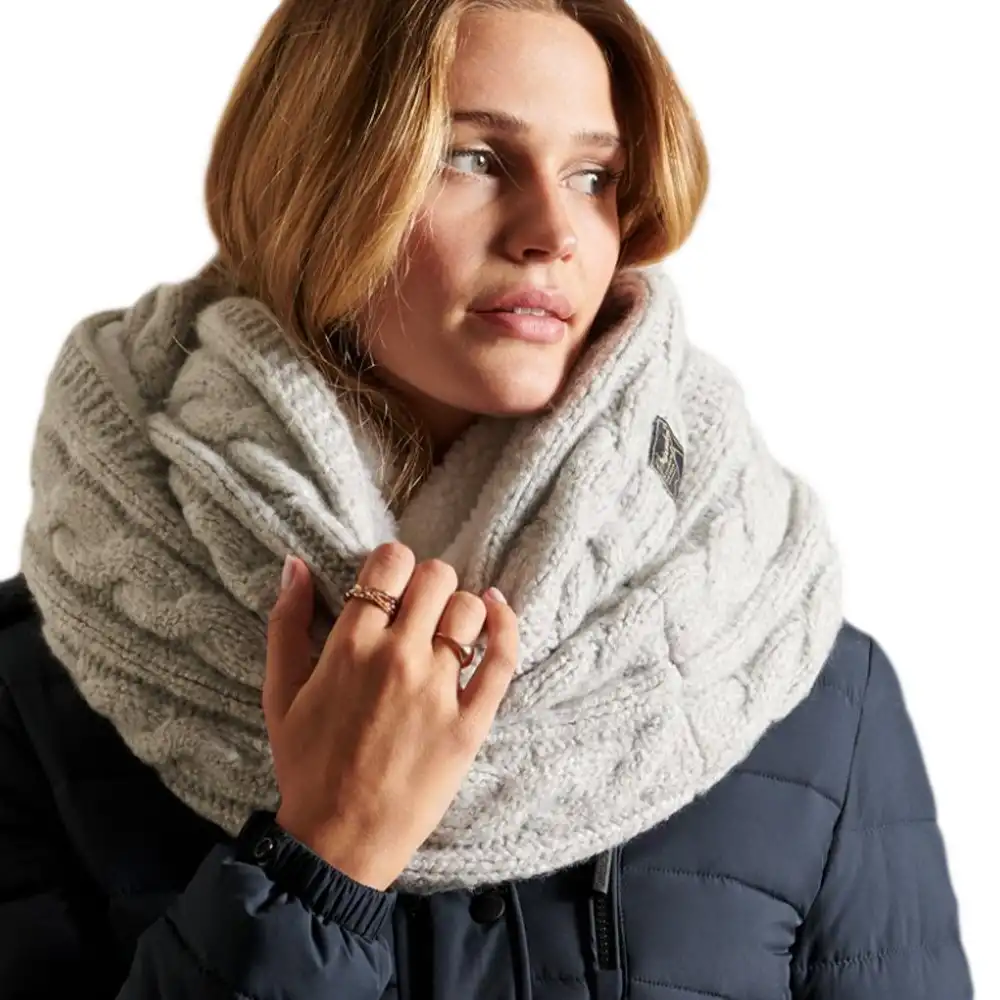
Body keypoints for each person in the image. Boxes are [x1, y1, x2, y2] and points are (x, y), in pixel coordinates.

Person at [0, 0, 973, 997]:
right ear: (315, 183)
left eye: (592, 177)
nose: (554, 233)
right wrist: (323, 860)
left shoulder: (798, 683)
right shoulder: (34, 682)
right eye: (472, 158)